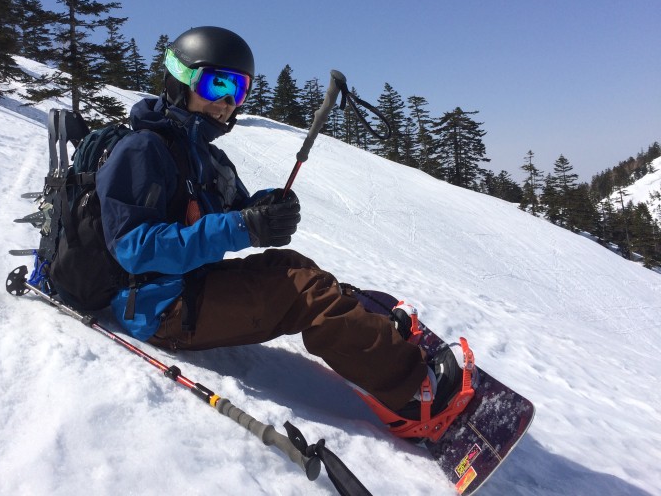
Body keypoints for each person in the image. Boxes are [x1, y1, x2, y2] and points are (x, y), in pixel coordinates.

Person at [94, 26, 462, 432]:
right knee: (299, 293)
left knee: (292, 265)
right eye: (217, 84)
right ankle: (414, 396)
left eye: (239, 89)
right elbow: (133, 249)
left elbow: (237, 208)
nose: (227, 102)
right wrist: (241, 226)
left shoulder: (205, 155)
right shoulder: (142, 150)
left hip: (187, 283)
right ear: (180, 80)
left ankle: (371, 335)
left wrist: (267, 209)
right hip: (155, 308)